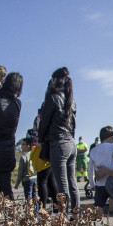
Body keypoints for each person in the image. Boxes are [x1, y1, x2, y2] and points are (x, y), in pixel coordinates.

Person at [37, 67, 78, 212]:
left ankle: (63, 217)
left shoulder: (52, 97)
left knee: (62, 184)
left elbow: (44, 122)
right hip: (71, 142)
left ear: (54, 80)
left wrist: (41, 138)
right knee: (72, 181)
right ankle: (75, 214)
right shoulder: (71, 99)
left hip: (58, 142)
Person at [88, 126, 113, 209]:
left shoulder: (93, 150)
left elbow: (90, 170)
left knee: (98, 207)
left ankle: (93, 221)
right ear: (111, 138)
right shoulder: (112, 146)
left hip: (100, 184)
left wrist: (92, 184)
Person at [14, 138, 36, 204]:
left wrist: (17, 183)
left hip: (26, 180)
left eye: (23, 144)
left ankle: (29, 212)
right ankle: (37, 211)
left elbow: (20, 171)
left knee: (28, 197)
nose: (22, 146)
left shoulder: (23, 157)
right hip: (35, 178)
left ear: (28, 146)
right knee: (35, 197)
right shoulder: (34, 154)